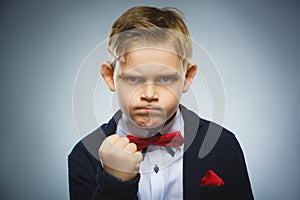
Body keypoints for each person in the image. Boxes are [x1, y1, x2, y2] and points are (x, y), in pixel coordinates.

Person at [68, 6, 254, 200]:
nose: (149, 94)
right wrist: (115, 182)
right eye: (133, 79)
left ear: (187, 77)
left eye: (165, 79)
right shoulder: (84, 156)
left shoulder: (223, 146)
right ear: (109, 77)